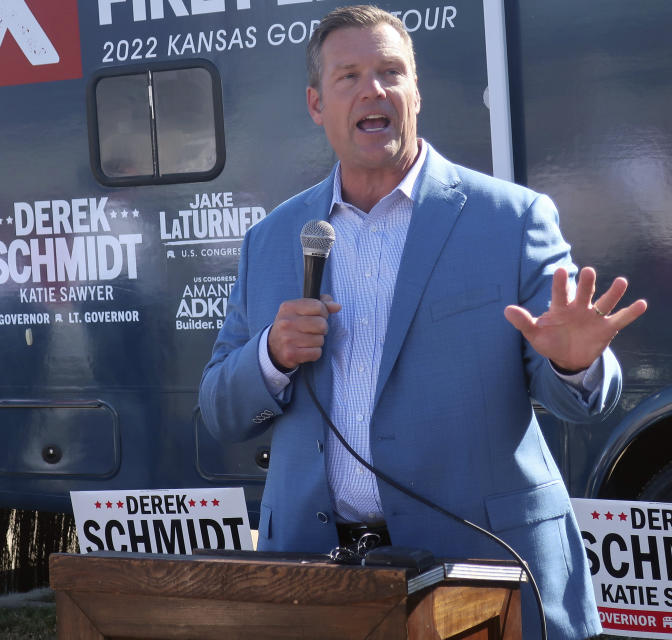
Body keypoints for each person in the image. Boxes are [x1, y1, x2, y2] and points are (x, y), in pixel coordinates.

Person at [198, 5, 647, 640]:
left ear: (417, 92)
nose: (372, 90)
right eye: (347, 75)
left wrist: (570, 362)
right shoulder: (272, 240)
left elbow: (579, 403)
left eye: (390, 71)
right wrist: (270, 355)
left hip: (486, 573)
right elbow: (219, 410)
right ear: (316, 104)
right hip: (318, 579)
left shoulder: (511, 220)